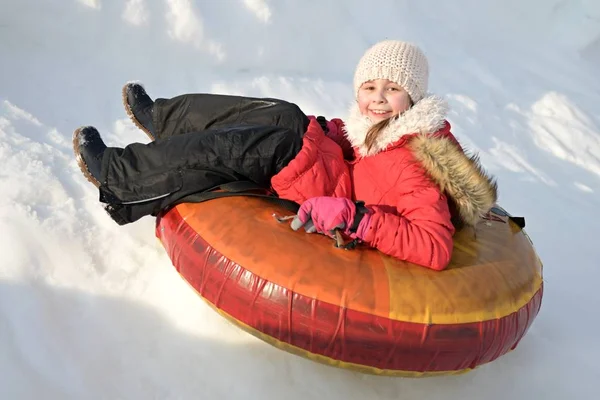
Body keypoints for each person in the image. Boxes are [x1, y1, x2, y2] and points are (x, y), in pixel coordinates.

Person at [73, 40, 497, 270]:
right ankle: (167, 119)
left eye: (393, 89)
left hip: (337, 199)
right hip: (340, 171)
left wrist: (355, 217)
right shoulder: (388, 130)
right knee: (287, 114)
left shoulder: (416, 166)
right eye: (370, 88)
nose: (379, 99)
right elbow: (364, 151)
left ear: (414, 96)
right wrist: (330, 132)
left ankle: (122, 177)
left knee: (268, 145)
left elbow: (434, 246)